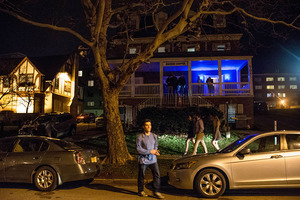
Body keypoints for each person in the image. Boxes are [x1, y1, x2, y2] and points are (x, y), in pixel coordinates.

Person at [136, 119, 164, 199]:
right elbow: (139, 149)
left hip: (153, 159)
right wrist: (149, 151)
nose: (149, 127)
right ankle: (141, 191)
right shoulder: (140, 137)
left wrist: (155, 151)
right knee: (141, 176)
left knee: (157, 175)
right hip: (143, 160)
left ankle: (156, 191)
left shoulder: (154, 136)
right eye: (147, 125)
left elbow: (156, 145)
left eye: (150, 125)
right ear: (143, 127)